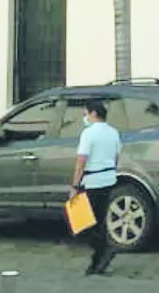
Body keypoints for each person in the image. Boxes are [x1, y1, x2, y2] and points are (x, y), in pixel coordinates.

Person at [68, 100, 121, 276]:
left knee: (86, 222)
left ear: (93, 114)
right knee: (98, 220)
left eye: (86, 114)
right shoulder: (113, 132)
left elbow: (81, 160)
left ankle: (104, 250)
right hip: (108, 179)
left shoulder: (88, 134)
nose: (85, 117)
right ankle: (99, 259)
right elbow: (116, 157)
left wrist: (75, 185)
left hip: (92, 181)